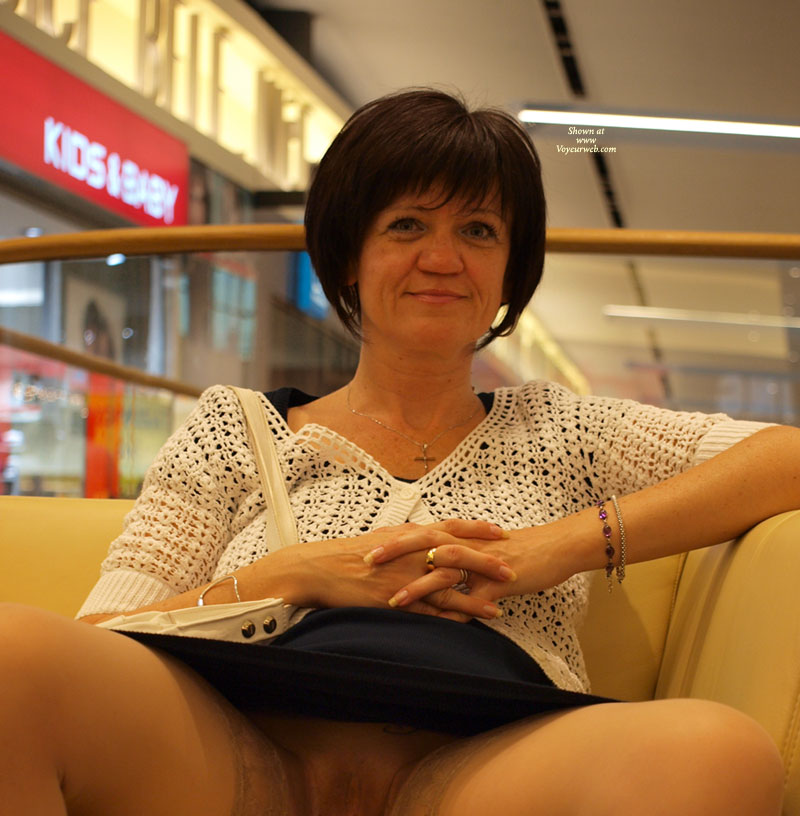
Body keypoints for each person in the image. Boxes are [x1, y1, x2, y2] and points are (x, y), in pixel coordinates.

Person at [0, 89, 791, 816]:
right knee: (12, 655)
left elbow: (783, 456)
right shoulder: (234, 429)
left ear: (509, 271)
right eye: (407, 225)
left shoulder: (564, 431)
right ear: (350, 255)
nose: (442, 259)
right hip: (243, 751)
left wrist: (551, 549)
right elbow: (105, 633)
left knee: (718, 752)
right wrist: (290, 575)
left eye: (477, 231)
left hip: (481, 767)